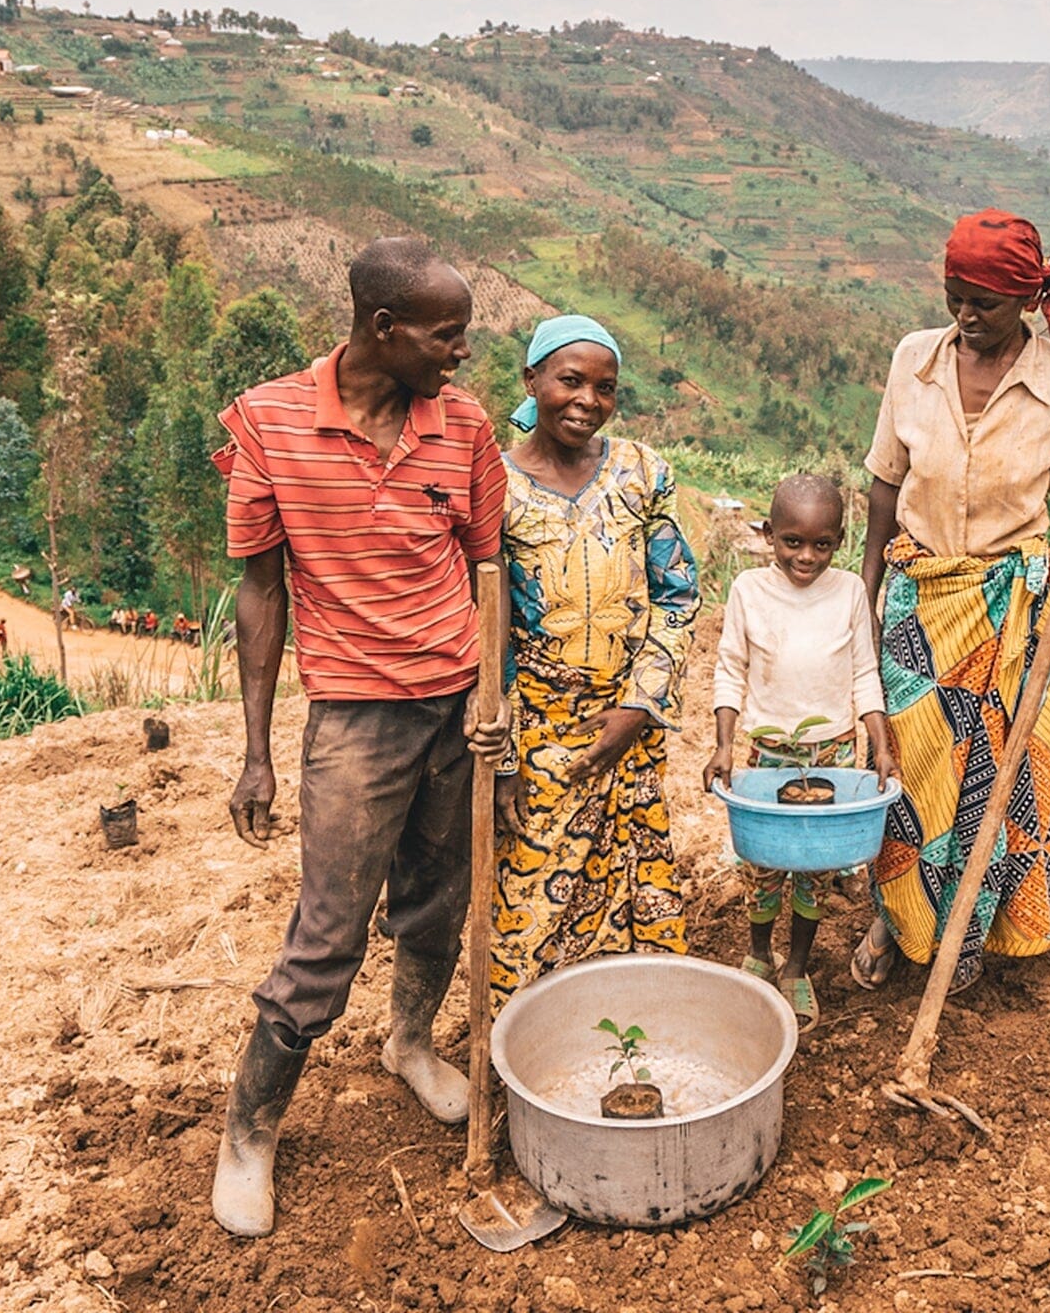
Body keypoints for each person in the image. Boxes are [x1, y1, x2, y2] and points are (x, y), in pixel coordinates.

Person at [210, 236, 509, 1238]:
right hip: (354, 721)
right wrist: (256, 748)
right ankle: (248, 1132)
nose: (463, 354)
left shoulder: (462, 427)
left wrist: (490, 699)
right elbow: (259, 589)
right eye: (446, 335)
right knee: (326, 937)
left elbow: (489, 574)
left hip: (456, 711)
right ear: (384, 329)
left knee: (436, 903)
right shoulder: (268, 421)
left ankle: (410, 1043)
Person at [853, 209, 1050, 996]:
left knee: (1000, 783)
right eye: (953, 297)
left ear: (1027, 301)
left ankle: (982, 923)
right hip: (919, 600)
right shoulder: (914, 360)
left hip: (1012, 611)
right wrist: (861, 607)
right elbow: (882, 487)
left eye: (983, 304)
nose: (964, 317)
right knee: (905, 776)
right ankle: (894, 920)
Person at [490, 315, 701, 1011]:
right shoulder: (495, 488)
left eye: (604, 388)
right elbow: (487, 630)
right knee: (528, 908)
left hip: (627, 730)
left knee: (633, 890)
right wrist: (506, 760)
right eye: (569, 381)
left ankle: (631, 1039)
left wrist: (640, 707)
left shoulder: (642, 473)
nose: (586, 400)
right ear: (532, 381)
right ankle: (531, 1058)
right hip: (541, 737)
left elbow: (678, 596)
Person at [701, 475, 897, 1033]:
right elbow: (731, 669)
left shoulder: (850, 594)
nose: (806, 556)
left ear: (840, 541)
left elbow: (864, 673)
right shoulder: (748, 592)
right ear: (769, 535)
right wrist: (724, 746)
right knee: (761, 865)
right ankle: (760, 954)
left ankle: (799, 966)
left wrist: (879, 746)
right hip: (770, 755)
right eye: (792, 542)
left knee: (814, 868)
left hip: (830, 754)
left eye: (822, 545)